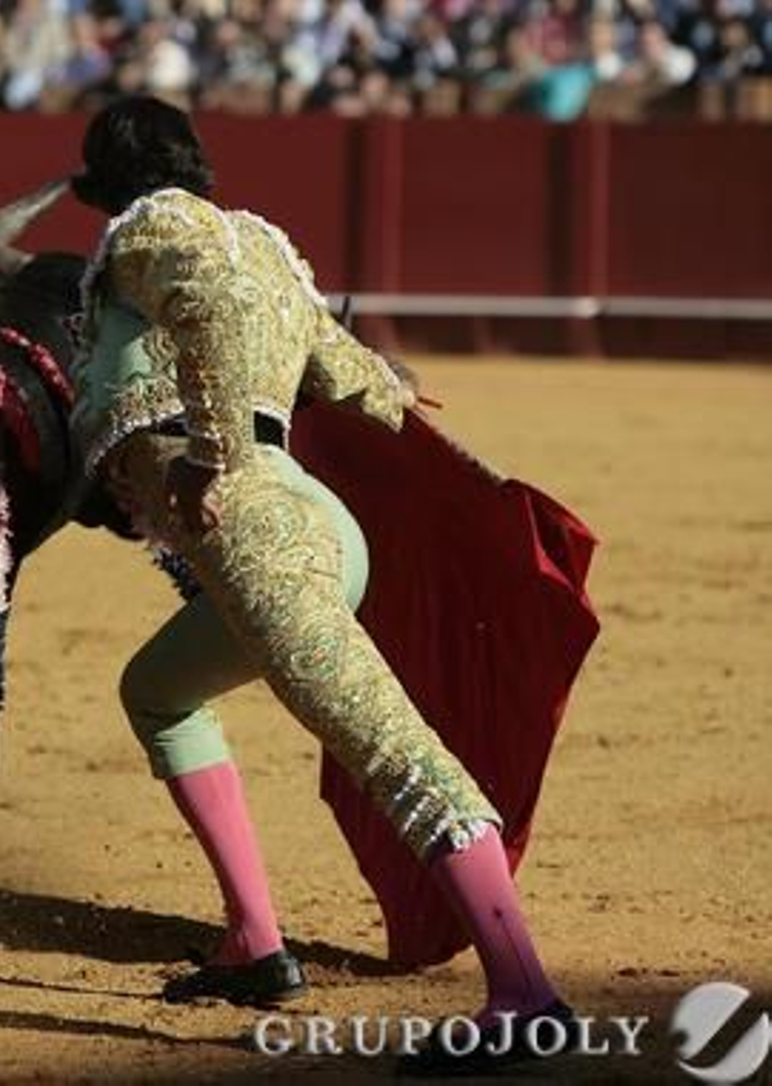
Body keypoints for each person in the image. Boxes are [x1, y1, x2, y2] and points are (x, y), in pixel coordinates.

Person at [65, 95, 571, 1070]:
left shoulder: (154, 229)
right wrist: (388, 390)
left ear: (112, 184)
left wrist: (209, 456)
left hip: (260, 532)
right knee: (161, 692)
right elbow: (343, 367)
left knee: (388, 746)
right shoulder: (261, 245)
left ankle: (524, 994)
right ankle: (255, 946)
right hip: (310, 521)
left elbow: (205, 306)